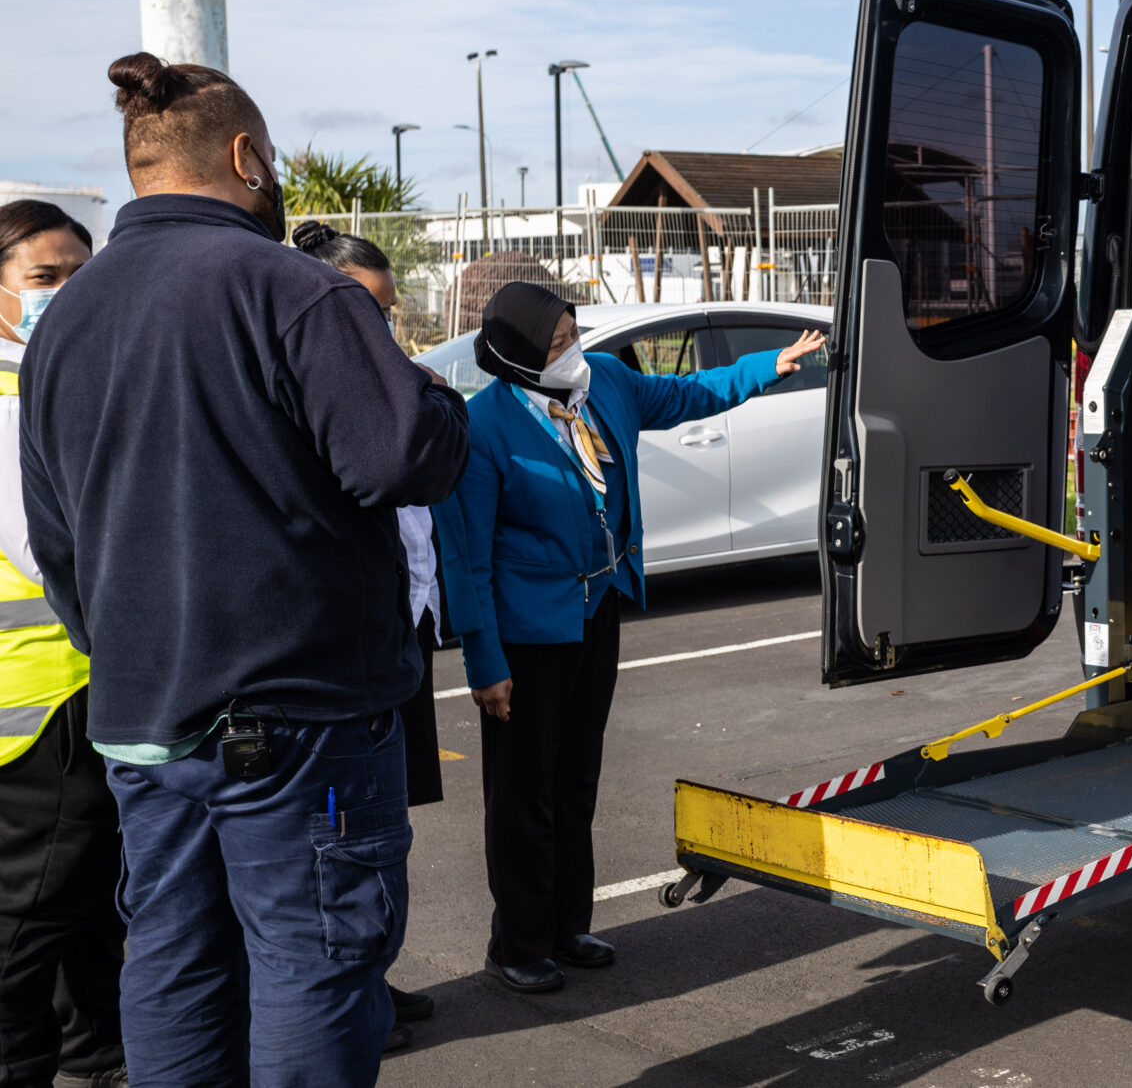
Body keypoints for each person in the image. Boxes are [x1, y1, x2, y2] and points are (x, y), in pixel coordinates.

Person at [17, 53, 470, 1087]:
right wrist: (424, 388)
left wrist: (125, 652)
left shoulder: (64, 322)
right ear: (246, 156)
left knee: (173, 969)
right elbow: (404, 457)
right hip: (295, 722)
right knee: (314, 968)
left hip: (140, 720)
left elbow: (60, 541)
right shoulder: (290, 288)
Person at [444, 281, 820, 993]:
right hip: (526, 633)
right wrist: (483, 660)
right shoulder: (485, 427)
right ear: (520, 358)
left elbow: (686, 395)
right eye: (557, 344)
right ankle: (517, 942)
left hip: (595, 609)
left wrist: (763, 368)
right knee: (524, 793)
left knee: (576, 775)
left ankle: (565, 923)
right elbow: (467, 559)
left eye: (574, 331)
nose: (574, 350)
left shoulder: (606, 381)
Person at [291, 221, 447, 1051]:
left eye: (388, 313)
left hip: (402, 633)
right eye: (368, 311)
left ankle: (372, 976)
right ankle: (343, 1001)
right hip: (337, 662)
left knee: (384, 829)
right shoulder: (315, 390)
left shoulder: (384, 382)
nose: (383, 330)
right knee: (334, 840)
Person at [0, 201, 125, 1088]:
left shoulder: (57, 381)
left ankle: (100, 1056)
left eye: (82, 275)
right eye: (45, 280)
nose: (68, 295)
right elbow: (65, 550)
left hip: (79, 698)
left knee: (92, 908)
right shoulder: (15, 405)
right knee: (23, 928)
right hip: (47, 712)